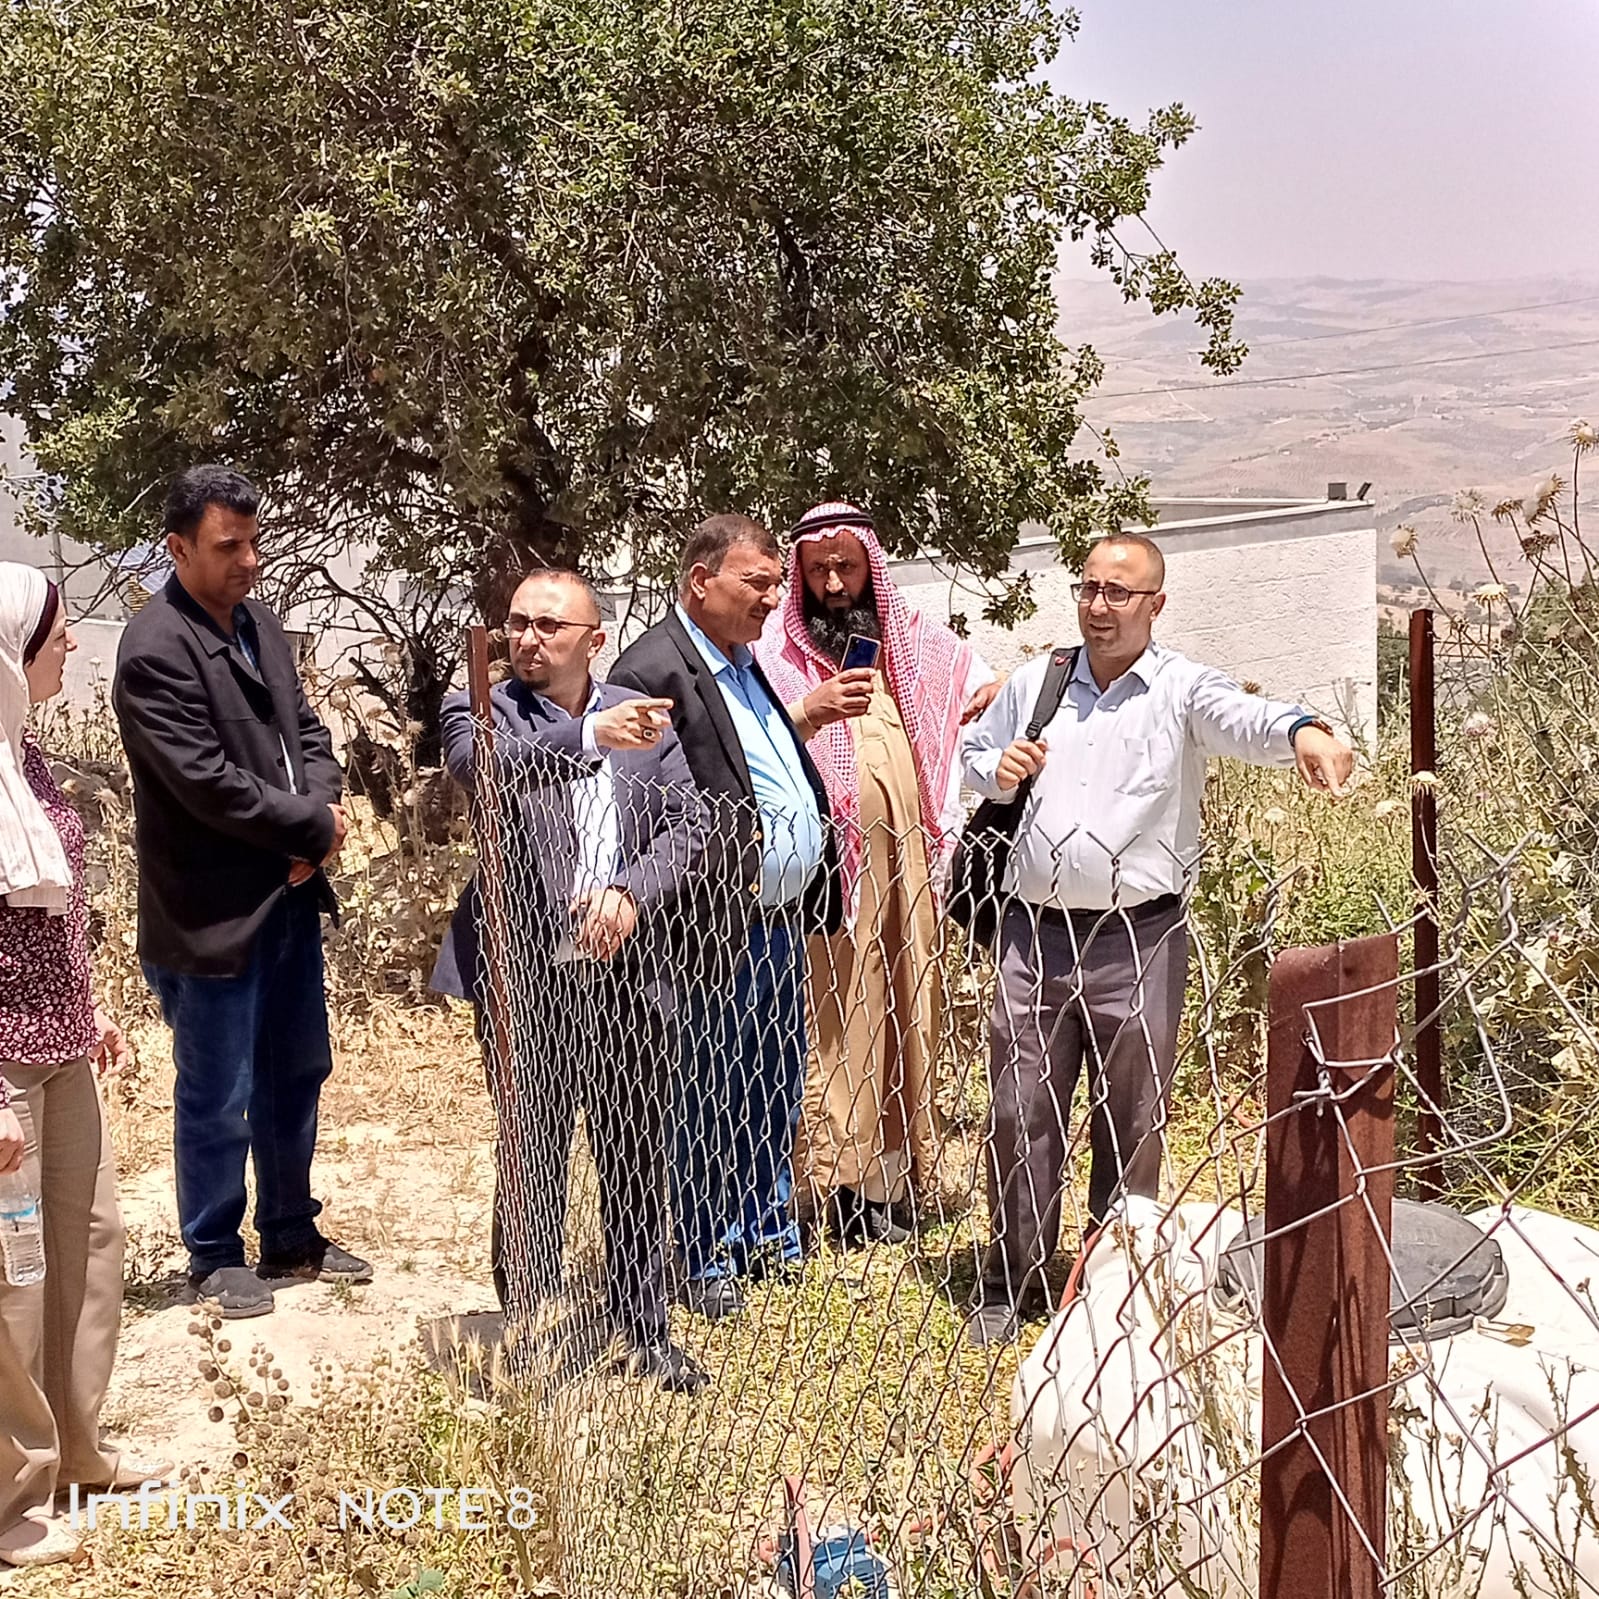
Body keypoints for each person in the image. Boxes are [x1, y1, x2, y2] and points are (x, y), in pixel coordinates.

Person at [961, 531, 1355, 1346]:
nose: (1098, 606)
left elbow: (1243, 718)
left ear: (1155, 604)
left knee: (1131, 1116)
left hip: (1137, 938)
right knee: (1018, 1109)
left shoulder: (1179, 688)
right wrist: (995, 769)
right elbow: (969, 753)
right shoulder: (1037, 681)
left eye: (1119, 592)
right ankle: (1012, 1279)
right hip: (1031, 935)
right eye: (1088, 588)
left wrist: (1304, 731)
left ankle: (1111, 1284)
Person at [434, 569, 709, 1393]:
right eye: (518, 622)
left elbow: (689, 821)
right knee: (535, 1153)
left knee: (633, 1152)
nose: (528, 638)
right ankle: (530, 1333)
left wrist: (631, 892)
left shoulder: (641, 716)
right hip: (527, 978)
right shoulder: (481, 707)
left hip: (627, 972)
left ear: (594, 640)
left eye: (550, 626)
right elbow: (482, 768)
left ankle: (643, 1328)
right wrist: (590, 735)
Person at [113, 466, 368, 1320]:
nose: (249, 561)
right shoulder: (154, 647)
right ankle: (214, 1252)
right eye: (229, 546)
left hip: (289, 895)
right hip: (212, 910)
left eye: (255, 542)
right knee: (218, 1089)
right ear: (177, 547)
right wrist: (309, 826)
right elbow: (205, 783)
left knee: (296, 1068)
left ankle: (291, 1230)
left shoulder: (259, 624)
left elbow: (309, 734)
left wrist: (321, 815)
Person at [610, 515, 841, 1320]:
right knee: (706, 1090)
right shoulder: (651, 668)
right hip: (707, 923)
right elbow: (640, 806)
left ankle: (765, 1233)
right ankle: (703, 1251)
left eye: (777, 583)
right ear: (701, 580)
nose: (774, 598)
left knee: (771, 1080)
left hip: (776, 919)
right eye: (757, 582)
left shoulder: (742, 662)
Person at [756, 502, 998, 1247]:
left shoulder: (908, 642)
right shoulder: (770, 657)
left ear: (872, 567)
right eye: (818, 570)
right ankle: (833, 1185)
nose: (834, 585)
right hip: (831, 880)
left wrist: (994, 692)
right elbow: (747, 740)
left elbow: (978, 683)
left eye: (847, 567)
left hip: (908, 875)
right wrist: (811, 709)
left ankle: (890, 1182)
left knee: (906, 1008)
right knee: (839, 1018)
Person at [0, 565, 168, 1568]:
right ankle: (8, 1497)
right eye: (55, 632)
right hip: (4, 1070)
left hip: (64, 1050)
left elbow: (50, 906)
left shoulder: (24, 755)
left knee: (89, 1249)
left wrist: (90, 1006)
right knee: (12, 1279)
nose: (70, 645)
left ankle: (75, 1453)